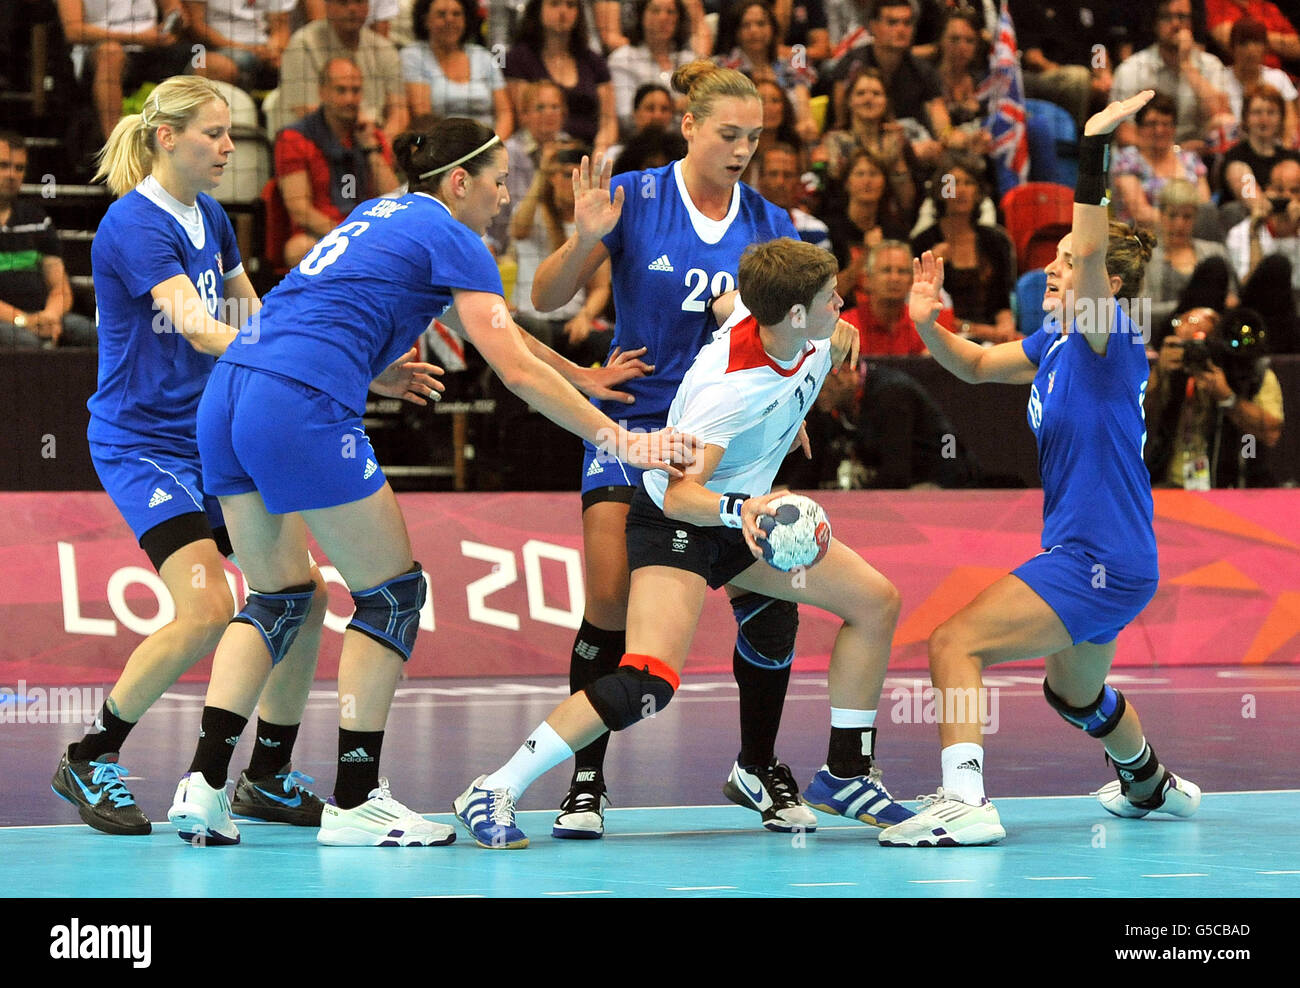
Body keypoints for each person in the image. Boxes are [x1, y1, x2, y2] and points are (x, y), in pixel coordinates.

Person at [166, 115, 693, 847]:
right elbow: (510, 368)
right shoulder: (454, 235)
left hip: (229, 394)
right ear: (458, 182)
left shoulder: (373, 214)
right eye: (499, 180)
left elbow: (342, 312)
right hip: (297, 402)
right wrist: (620, 441)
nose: (506, 195)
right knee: (393, 595)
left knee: (279, 596)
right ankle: (355, 800)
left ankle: (203, 785)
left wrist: (579, 374)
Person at [454, 238, 914, 849]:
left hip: (744, 518)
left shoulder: (793, 326)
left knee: (875, 602)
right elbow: (678, 496)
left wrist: (787, 416)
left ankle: (847, 775)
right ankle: (494, 787)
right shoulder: (730, 394)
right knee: (649, 679)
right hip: (682, 521)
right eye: (832, 297)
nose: (845, 303)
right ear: (795, 314)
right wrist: (741, 507)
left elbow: (732, 309)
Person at [529, 61, 859, 839]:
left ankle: (757, 764)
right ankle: (586, 782)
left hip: (731, 429)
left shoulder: (772, 221)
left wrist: (797, 398)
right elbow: (543, 300)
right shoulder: (636, 197)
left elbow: (792, 332)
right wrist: (583, 243)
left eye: (755, 136)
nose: (743, 149)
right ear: (688, 126)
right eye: (728, 134)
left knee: (772, 601)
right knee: (610, 602)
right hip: (641, 426)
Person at [879, 90, 1202, 847]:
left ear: (1107, 288)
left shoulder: (1106, 335)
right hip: (1108, 559)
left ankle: (966, 802)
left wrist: (1090, 147)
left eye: (1063, 264)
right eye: (1052, 264)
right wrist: (930, 322)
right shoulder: (1053, 343)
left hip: (1098, 557)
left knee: (955, 643)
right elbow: (977, 364)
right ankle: (1150, 781)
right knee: (1072, 691)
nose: (1053, 272)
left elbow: (1089, 252)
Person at [51, 76, 333, 837]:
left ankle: (266, 776)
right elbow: (202, 326)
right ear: (166, 138)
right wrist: (291, 361)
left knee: (303, 599)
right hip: (144, 444)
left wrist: (343, 363)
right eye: (214, 133)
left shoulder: (209, 214)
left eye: (231, 133)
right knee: (207, 607)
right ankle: (89, 754)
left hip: (215, 437)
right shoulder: (131, 225)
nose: (229, 148)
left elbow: (253, 314)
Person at [783, 358, 980, 491]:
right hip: (892, 483)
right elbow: (808, 471)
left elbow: (896, 475)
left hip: (940, 482)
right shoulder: (826, 402)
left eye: (816, 381)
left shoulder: (892, 395)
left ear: (842, 370)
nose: (813, 391)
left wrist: (849, 501)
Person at [275, 58, 400, 268]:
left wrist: (370, 149)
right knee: (298, 248)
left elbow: (394, 200)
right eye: (341, 90)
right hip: (320, 234)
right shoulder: (294, 138)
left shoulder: (372, 136)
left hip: (370, 233)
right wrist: (347, 235)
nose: (350, 98)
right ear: (322, 92)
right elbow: (299, 209)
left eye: (356, 90)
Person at [1144, 305, 1284, 488]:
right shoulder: (1169, 371)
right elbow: (1137, 420)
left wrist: (1227, 397)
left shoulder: (1251, 374)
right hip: (1169, 486)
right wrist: (1158, 375)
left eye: (1202, 344)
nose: (1196, 352)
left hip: (1228, 489)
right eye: (1186, 345)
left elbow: (1271, 433)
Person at [55, 0, 232, 142]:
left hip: (153, 49)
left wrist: (174, 18)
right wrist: (137, 38)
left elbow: (172, 7)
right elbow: (74, 31)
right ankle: (117, 149)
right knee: (111, 53)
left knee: (220, 66)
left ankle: (191, 142)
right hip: (102, 53)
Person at [0, 131, 96, 348]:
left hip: (42, 315)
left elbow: (59, 286)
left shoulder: (37, 218)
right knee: (26, 342)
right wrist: (24, 321)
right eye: (3, 165)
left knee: (96, 334)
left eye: (19, 168)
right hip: (8, 322)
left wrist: (50, 317)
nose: (11, 175)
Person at [911, 152, 1018, 343]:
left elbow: (1002, 302)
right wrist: (977, 330)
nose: (961, 190)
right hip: (941, 336)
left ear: (978, 192)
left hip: (990, 336)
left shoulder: (996, 240)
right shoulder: (923, 243)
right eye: (953, 184)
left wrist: (1005, 327)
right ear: (940, 192)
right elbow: (919, 306)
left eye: (968, 183)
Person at [831, 0, 950, 167]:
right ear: (873, 26)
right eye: (892, 22)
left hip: (911, 148)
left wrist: (949, 141)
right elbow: (841, 125)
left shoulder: (923, 70)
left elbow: (942, 125)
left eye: (907, 22)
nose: (901, 29)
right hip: (859, 152)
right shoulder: (851, 65)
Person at [1109, 0, 1232, 154]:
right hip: (1148, 157)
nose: (1175, 24)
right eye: (1167, 17)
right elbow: (1124, 134)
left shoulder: (1211, 65)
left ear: (1192, 22)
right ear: (1155, 24)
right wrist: (1176, 152)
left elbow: (1223, 118)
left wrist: (1186, 65)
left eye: (1182, 17)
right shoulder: (1132, 69)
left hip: (1199, 158)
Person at [278, 0, 409, 137]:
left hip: (375, 141)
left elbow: (399, 113)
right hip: (317, 142)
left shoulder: (384, 49)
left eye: (359, 2)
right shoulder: (303, 45)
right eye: (343, 2)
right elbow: (307, 112)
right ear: (327, 6)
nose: (352, 9)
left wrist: (382, 146)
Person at [505, 0, 619, 158]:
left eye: (571, 5)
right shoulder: (519, 59)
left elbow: (609, 120)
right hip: (539, 151)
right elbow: (525, 116)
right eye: (555, 4)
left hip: (591, 152)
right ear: (538, 10)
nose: (563, 11)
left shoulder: (594, 61)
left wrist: (599, 152)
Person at [401, 0, 514, 136]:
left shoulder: (483, 56)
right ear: (425, 20)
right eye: (441, 14)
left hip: (487, 144)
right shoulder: (413, 55)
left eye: (456, 14)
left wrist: (494, 145)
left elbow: (505, 113)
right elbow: (423, 116)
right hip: (439, 144)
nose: (449, 20)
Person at [1108, 91, 1211, 228]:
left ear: (1174, 128)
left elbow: (1204, 205)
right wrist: (1181, 221)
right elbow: (1140, 212)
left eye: (1166, 124)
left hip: (1190, 236)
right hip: (1143, 238)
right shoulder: (1127, 160)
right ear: (1138, 128)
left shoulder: (1190, 158)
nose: (1159, 130)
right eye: (1152, 124)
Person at [1143, 179, 1235, 327]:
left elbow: (1232, 300)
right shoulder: (1146, 256)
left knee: (1214, 264)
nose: (1179, 224)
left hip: (1212, 329)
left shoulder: (1215, 251)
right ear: (1161, 215)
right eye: (1172, 216)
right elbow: (1140, 312)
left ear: (1196, 218)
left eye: (1187, 217)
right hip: (1167, 328)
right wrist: (1187, 307)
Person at [842, 239, 957, 355]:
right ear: (867, 279)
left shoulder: (923, 325)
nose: (895, 278)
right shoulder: (845, 326)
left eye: (902, 271)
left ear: (911, 281)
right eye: (886, 270)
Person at [607, 0, 697, 132]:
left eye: (670, 12)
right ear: (641, 15)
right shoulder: (622, 59)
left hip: (686, 142)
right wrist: (675, 106)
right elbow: (626, 116)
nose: (663, 17)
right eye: (655, 11)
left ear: (678, 19)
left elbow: (703, 110)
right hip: (641, 144)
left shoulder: (690, 61)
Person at [1217, 83, 1300, 207]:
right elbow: (1252, 200)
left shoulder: (1293, 158)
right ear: (1245, 118)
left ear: (1281, 117)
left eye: (1271, 112)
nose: (1264, 120)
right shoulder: (1236, 157)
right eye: (1257, 112)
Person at [181, 0, 294, 91]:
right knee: (217, 66)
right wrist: (245, 48)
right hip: (213, 47)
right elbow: (196, 26)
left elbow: (280, 27)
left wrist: (275, 49)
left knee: (298, 61)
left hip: (262, 46)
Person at [1221, 18, 1298, 148]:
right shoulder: (1220, 79)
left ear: (1265, 48)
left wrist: (1285, 154)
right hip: (1234, 152)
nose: (1251, 50)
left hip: (1275, 150)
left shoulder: (1278, 78)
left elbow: (1290, 122)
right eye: (1243, 43)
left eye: (1257, 42)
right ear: (1232, 48)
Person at [755, 141, 831, 250]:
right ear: (760, 180)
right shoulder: (737, 228)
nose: (780, 182)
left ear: (799, 182)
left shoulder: (815, 230)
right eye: (773, 174)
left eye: (788, 175)